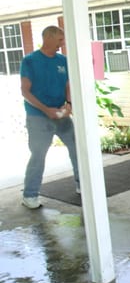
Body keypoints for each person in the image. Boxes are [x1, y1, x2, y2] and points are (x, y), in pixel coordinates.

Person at [20, 25, 80, 209]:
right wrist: (46, 110)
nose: (62, 44)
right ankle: (29, 195)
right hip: (38, 117)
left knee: (76, 148)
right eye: (60, 40)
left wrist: (69, 104)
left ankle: (81, 183)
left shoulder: (63, 60)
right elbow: (25, 91)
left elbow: (68, 85)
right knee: (38, 155)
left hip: (61, 115)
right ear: (48, 38)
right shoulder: (30, 61)